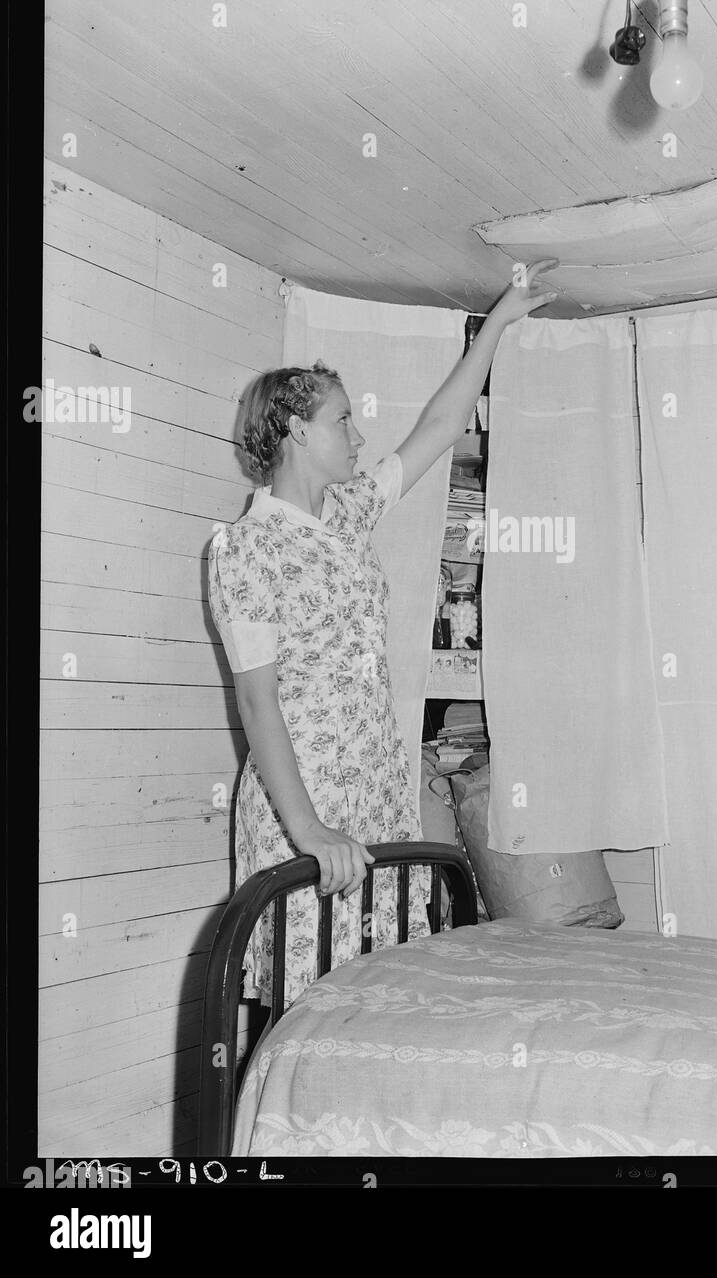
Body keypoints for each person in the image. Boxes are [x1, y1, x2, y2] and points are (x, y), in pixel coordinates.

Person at [207, 260, 558, 1006]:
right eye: (342, 419)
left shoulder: (347, 513)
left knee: (371, 991)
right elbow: (259, 703)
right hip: (302, 805)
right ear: (297, 430)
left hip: (373, 786)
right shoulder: (245, 549)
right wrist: (308, 831)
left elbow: (435, 428)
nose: (358, 434)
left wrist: (497, 322)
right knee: (303, 1000)